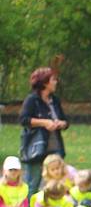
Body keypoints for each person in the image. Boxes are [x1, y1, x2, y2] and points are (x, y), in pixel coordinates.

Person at [19, 67, 69, 199]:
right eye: (53, 79)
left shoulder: (55, 100)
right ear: (44, 82)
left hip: (55, 147)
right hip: (36, 148)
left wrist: (61, 123)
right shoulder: (32, 100)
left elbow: (65, 120)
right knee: (33, 183)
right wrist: (44, 123)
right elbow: (24, 120)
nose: (56, 82)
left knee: (56, 183)